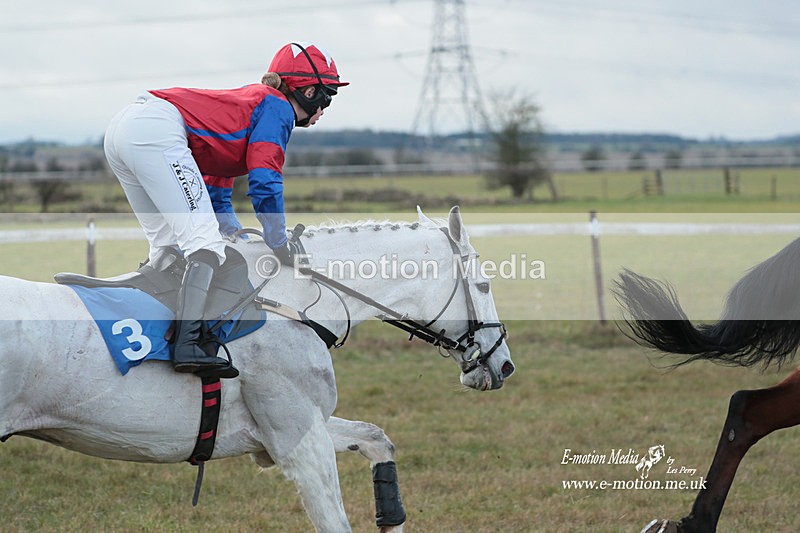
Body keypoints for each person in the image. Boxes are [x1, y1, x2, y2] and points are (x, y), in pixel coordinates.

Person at [103, 42, 348, 379]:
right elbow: (265, 182)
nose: (325, 108)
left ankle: (152, 327)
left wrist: (232, 230)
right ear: (308, 92)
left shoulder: (252, 103)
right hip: (154, 129)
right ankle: (189, 345)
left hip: (125, 128)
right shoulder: (277, 109)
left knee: (167, 245)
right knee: (203, 245)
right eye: (327, 96)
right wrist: (279, 241)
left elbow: (215, 189)